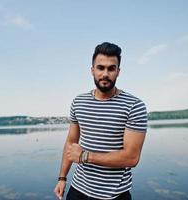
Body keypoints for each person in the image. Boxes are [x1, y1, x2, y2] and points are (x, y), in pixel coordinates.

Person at [54, 42, 147, 200]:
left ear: (118, 71)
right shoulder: (79, 102)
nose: (105, 74)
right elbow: (71, 142)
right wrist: (62, 178)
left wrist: (85, 156)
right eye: (100, 67)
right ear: (92, 70)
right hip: (78, 190)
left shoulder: (134, 106)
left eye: (111, 68)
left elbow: (131, 158)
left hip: (114, 195)